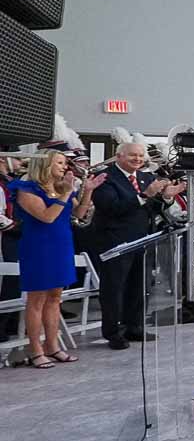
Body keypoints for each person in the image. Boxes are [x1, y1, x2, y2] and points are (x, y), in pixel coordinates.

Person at [10, 152, 104, 367]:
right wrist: (67, 192)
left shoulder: (60, 188)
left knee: (55, 299)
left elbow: (78, 215)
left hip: (62, 244)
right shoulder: (27, 190)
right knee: (37, 300)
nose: (65, 167)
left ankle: (53, 346)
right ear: (44, 164)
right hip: (39, 247)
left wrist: (87, 191)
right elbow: (47, 216)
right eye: (60, 163)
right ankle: (35, 349)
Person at [88, 143, 184, 349]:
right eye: (133, 155)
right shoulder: (105, 178)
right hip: (114, 241)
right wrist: (144, 195)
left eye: (141, 156)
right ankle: (113, 332)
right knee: (114, 288)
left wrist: (167, 196)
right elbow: (111, 207)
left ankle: (135, 326)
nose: (138, 159)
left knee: (140, 285)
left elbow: (154, 207)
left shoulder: (146, 177)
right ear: (119, 156)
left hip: (143, 239)